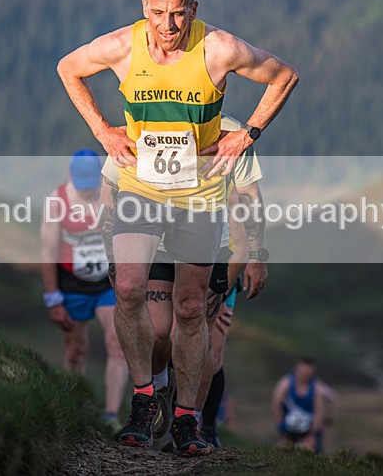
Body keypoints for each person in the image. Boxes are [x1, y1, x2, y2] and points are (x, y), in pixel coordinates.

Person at [58, 0, 297, 457]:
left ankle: (187, 419)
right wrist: (103, 131)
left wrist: (246, 135)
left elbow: (283, 76)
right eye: (159, 12)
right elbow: (68, 68)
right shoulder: (123, 46)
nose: (168, 25)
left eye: (179, 13)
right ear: (144, 8)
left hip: (198, 196)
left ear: (194, 9)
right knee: (128, 288)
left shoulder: (219, 48)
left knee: (190, 308)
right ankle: (144, 400)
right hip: (140, 188)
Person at [99, 114, 269, 450]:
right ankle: (158, 390)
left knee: (197, 326)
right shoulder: (142, 118)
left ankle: (189, 422)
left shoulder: (233, 132)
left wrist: (256, 254)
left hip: (209, 241)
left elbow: (250, 194)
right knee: (159, 331)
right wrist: (112, 249)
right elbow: (110, 187)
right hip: (155, 241)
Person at [39, 149, 129, 437]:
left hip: (106, 284)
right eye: (82, 182)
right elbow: (48, 252)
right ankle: (75, 406)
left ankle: (110, 415)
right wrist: (53, 299)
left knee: (117, 343)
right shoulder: (57, 201)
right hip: (72, 285)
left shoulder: (112, 196)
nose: (88, 188)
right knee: (76, 350)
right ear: (70, 175)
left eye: (92, 182)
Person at [272, 358, 326, 452]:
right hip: (288, 426)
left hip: (308, 427)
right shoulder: (286, 383)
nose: (305, 375)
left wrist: (312, 433)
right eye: (303, 371)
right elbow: (276, 403)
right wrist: (281, 424)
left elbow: (319, 410)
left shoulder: (316, 387)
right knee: (283, 450)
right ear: (296, 370)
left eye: (308, 373)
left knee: (309, 450)